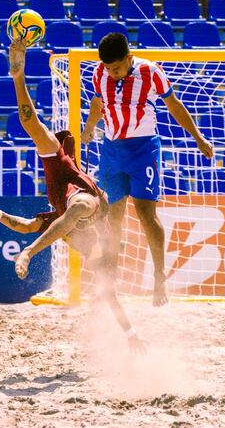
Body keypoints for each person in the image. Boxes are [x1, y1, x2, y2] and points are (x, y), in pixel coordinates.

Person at [0, 38, 146, 353]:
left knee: (68, 210)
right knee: (35, 129)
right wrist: (29, 253)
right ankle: (18, 75)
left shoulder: (93, 257)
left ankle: (17, 76)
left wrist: (0, 215)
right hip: (77, 186)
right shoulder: (100, 221)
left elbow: (28, 225)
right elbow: (77, 220)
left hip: (62, 194)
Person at [81, 33, 214, 306]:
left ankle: (159, 276)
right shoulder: (100, 74)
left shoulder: (150, 71)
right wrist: (89, 127)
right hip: (112, 150)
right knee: (111, 217)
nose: (112, 73)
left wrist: (198, 137)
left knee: (145, 213)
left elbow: (174, 104)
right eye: (108, 68)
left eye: (116, 68)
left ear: (129, 59)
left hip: (143, 150)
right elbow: (97, 103)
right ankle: (111, 281)